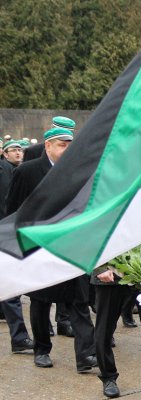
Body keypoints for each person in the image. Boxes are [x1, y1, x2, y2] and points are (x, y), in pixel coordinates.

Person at [6, 127, 97, 371]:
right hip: (40, 246)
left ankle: (86, 355)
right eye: (61, 145)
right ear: (48, 145)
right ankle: (42, 349)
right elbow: (13, 208)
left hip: (71, 245)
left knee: (79, 300)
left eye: (70, 145)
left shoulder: (78, 171)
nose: (67, 150)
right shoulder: (27, 171)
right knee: (41, 301)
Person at [0, 139, 35, 355]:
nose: (18, 153)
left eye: (19, 150)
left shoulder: (15, 171)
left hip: (9, 230)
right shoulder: (6, 170)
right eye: (13, 150)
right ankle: (19, 337)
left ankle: (19, 337)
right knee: (10, 287)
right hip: (6, 231)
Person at [91, 259, 140, 398]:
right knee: (104, 330)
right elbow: (89, 241)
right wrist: (99, 269)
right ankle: (108, 377)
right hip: (109, 278)